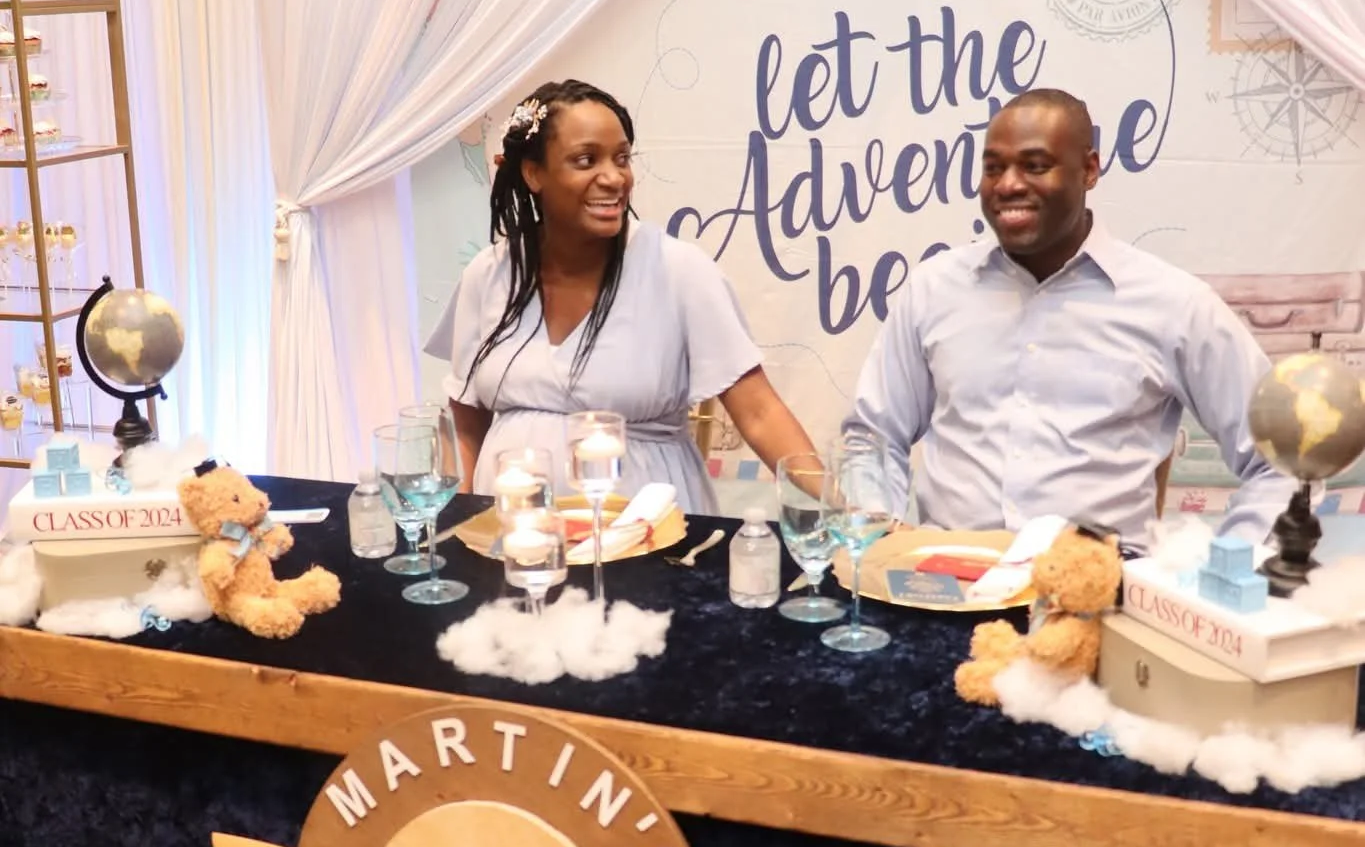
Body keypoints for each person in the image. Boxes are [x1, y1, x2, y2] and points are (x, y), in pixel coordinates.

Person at [850, 88, 1293, 548]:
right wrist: (876, 543)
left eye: (1035, 165)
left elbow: (1284, 462)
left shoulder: (1174, 305)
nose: (1008, 185)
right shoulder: (933, 289)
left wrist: (1228, 569)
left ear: (1089, 169)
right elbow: (872, 438)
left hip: (1102, 584)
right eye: (993, 167)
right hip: (947, 576)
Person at [428, 78, 814, 510]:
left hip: (644, 529)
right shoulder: (489, 274)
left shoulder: (679, 271)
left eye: (622, 158)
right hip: (516, 528)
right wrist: (454, 520)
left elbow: (760, 413)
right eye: (586, 160)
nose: (614, 178)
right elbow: (467, 421)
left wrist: (843, 506)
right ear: (533, 173)